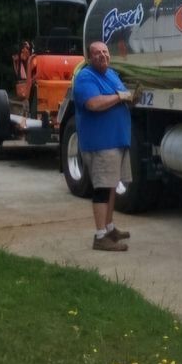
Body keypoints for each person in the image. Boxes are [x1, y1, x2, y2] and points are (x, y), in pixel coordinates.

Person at [72, 41, 135, 251]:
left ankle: (109, 228)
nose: (102, 56)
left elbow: (122, 95)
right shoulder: (85, 77)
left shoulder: (111, 74)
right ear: (89, 58)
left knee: (111, 186)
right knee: (101, 188)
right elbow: (93, 103)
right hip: (100, 144)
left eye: (105, 52)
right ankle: (100, 236)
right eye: (97, 53)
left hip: (115, 141)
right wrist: (119, 97)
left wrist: (129, 97)